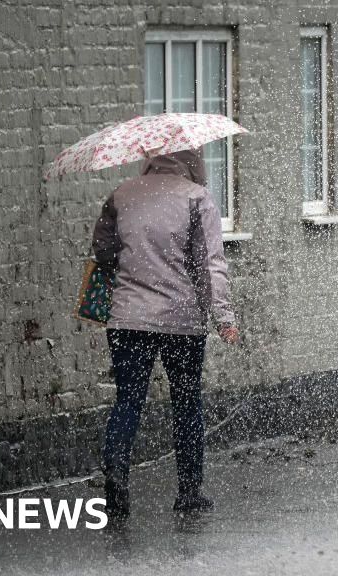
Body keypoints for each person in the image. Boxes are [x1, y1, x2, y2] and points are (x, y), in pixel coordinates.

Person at [91, 147, 239, 521]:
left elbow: (103, 252)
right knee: (187, 403)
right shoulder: (196, 198)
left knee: (128, 401)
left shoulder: (121, 193)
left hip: (128, 317)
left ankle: (116, 482)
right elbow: (209, 264)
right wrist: (222, 316)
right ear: (193, 163)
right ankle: (189, 492)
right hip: (181, 320)